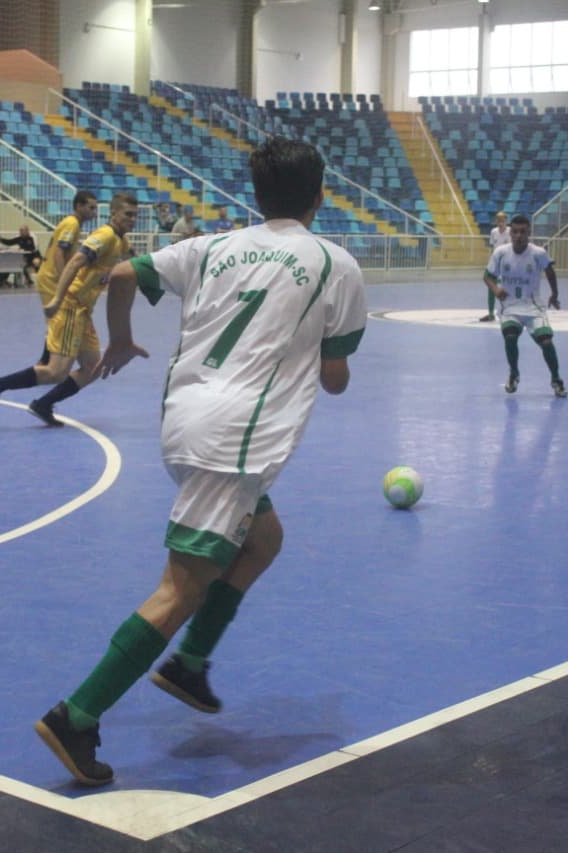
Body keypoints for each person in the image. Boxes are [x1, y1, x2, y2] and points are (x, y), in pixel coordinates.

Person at [33, 137, 367, 787]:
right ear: (319, 196)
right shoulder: (336, 264)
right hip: (234, 441)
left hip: (183, 420)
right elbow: (334, 379)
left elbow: (122, 275)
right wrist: (325, 356)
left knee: (263, 537)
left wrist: (125, 337)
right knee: (180, 586)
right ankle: (77, 713)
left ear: (257, 194)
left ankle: (191, 664)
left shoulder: (211, 245)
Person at [0, 194, 137, 427]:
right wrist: (58, 299)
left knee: (93, 367)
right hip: (71, 305)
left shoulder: (121, 242)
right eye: (128, 214)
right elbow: (74, 262)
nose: (132, 219)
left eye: (135, 215)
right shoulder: (104, 236)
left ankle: (42, 404)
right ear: (114, 214)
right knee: (56, 372)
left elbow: (132, 264)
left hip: (83, 310)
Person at [483, 213, 566, 398]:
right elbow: (487, 276)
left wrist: (554, 294)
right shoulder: (500, 253)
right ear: (510, 233)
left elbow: (550, 272)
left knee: (546, 341)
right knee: (510, 337)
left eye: (523, 232)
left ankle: (556, 379)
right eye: (515, 232)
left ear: (529, 233)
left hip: (533, 306)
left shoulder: (538, 253)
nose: (519, 236)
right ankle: (514, 373)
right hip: (510, 306)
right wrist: (496, 290)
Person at [27, 190, 97, 365]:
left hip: (50, 277)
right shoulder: (72, 224)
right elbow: (59, 253)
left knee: (57, 318)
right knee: (57, 317)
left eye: (95, 208)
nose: (94, 212)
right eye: (90, 207)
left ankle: (47, 359)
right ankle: (46, 361)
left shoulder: (73, 224)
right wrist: (63, 279)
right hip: (52, 278)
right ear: (79, 206)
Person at [482, 211, 511, 321]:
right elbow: (492, 247)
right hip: (495, 263)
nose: (500, 223)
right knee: (491, 286)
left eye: (502, 221)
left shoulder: (510, 232)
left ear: (506, 221)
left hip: (507, 263)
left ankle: (509, 312)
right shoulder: (493, 232)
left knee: (507, 287)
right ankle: (490, 314)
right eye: (498, 221)